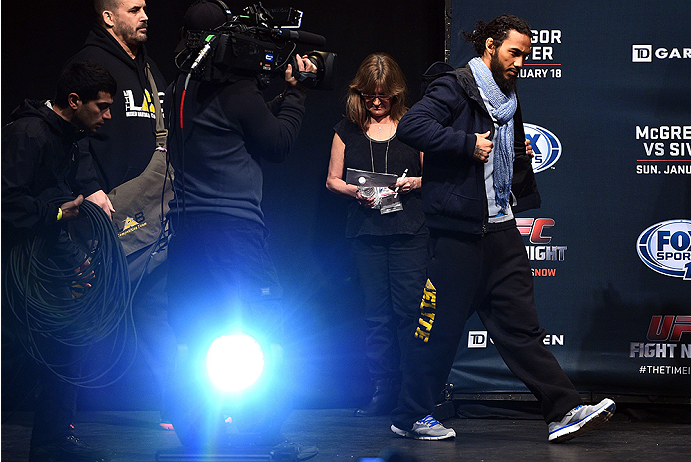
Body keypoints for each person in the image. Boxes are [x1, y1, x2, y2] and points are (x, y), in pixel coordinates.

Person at [390, 14, 616, 442]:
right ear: (489, 46)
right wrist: (466, 144)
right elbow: (411, 126)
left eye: (526, 56)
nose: (520, 62)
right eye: (514, 52)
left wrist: (518, 160)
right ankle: (410, 415)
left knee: (521, 328)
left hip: (500, 227)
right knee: (437, 331)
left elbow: (502, 152)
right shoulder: (454, 85)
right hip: (458, 233)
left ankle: (563, 410)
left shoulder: (507, 94)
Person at [164, 0, 318, 445]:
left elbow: (228, 125)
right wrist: (296, 97)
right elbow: (278, 143)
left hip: (188, 230)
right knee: (265, 328)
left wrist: (267, 96)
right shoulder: (238, 93)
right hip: (234, 231)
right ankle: (263, 434)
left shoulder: (179, 87)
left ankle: (195, 436)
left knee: (194, 332)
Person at [68, 0, 177, 429]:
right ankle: (60, 416)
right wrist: (89, 187)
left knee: (158, 313)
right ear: (108, 17)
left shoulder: (152, 71)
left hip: (155, 218)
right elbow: (69, 131)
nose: (145, 16)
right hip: (106, 214)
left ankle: (180, 408)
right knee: (86, 316)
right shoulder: (87, 64)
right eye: (134, 9)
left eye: (146, 8)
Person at [1, 60, 116, 462]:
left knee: (66, 347)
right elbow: (8, 202)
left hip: (45, 267)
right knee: (19, 357)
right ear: (73, 100)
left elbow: (60, 203)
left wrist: (75, 258)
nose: (107, 114)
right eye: (101, 106)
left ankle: (53, 442)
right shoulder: (29, 133)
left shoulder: (69, 138)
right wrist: (55, 215)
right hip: (15, 273)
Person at [326, 53, 427, 417]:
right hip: (366, 233)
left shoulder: (415, 125)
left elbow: (431, 176)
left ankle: (414, 391)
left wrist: (414, 182)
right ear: (360, 94)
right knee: (375, 315)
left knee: (410, 312)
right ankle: (383, 389)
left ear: (396, 93)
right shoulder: (346, 129)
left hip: (408, 231)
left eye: (384, 95)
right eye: (370, 96)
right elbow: (332, 179)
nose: (377, 102)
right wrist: (356, 192)